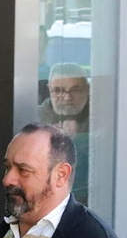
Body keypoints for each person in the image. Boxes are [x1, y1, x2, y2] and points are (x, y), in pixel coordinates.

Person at [39, 63, 92, 199]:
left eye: (75, 90)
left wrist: (81, 134)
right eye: (58, 91)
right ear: (49, 89)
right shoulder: (33, 117)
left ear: (87, 89)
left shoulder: (103, 119)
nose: (68, 98)